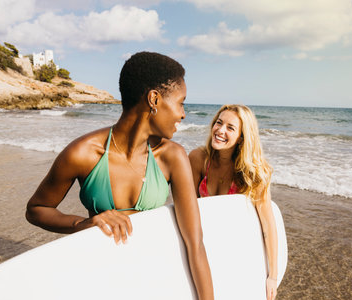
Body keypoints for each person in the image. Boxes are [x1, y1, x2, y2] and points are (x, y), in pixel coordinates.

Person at [26, 51, 214, 299]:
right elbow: (37, 208)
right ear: (154, 99)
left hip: (153, 276)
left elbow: (195, 243)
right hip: (100, 277)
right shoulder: (84, 153)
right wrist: (81, 224)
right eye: (181, 102)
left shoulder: (173, 157)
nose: (183, 113)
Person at [189, 104, 278, 300]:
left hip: (236, 249)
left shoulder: (253, 173)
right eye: (218, 123)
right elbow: (188, 209)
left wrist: (272, 276)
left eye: (230, 127)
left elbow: (268, 225)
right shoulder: (199, 159)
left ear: (242, 137)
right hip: (205, 247)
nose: (220, 130)